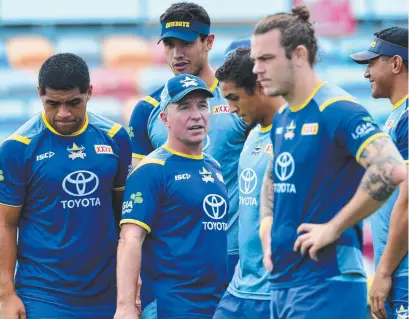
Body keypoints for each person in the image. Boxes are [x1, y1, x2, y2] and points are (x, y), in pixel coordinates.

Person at [251, 6, 407, 319]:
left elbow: (390, 169)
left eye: (266, 59)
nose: (256, 69)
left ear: (297, 55)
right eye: (255, 60)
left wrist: (334, 227)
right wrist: (267, 226)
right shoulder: (283, 117)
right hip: (283, 283)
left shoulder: (338, 109)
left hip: (327, 282)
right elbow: (273, 176)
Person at [0, 53, 132, 319]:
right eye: (53, 104)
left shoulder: (116, 138)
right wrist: (5, 295)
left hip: (108, 293)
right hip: (43, 294)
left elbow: (125, 219)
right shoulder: (17, 148)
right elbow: (5, 223)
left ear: (89, 93)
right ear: (39, 95)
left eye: (73, 103)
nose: (63, 114)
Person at [128, 2, 248, 282]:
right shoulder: (147, 110)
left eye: (185, 43)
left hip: (238, 258)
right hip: (174, 261)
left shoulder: (239, 99)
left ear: (208, 42)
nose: (176, 54)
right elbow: (138, 192)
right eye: (169, 44)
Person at [115, 74, 229, 319]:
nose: (196, 115)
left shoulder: (213, 167)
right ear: (165, 118)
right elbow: (130, 239)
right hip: (172, 304)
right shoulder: (151, 170)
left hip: (217, 304)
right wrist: (125, 306)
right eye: (184, 107)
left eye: (202, 105)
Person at [213, 48, 285, 318]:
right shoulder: (253, 134)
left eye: (234, 98)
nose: (231, 108)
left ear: (259, 87)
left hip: (277, 290)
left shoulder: (294, 134)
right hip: (240, 287)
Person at [350, 27, 408, 319]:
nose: (365, 73)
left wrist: (383, 273)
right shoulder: (398, 116)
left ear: (396, 64)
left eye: (372, 63)